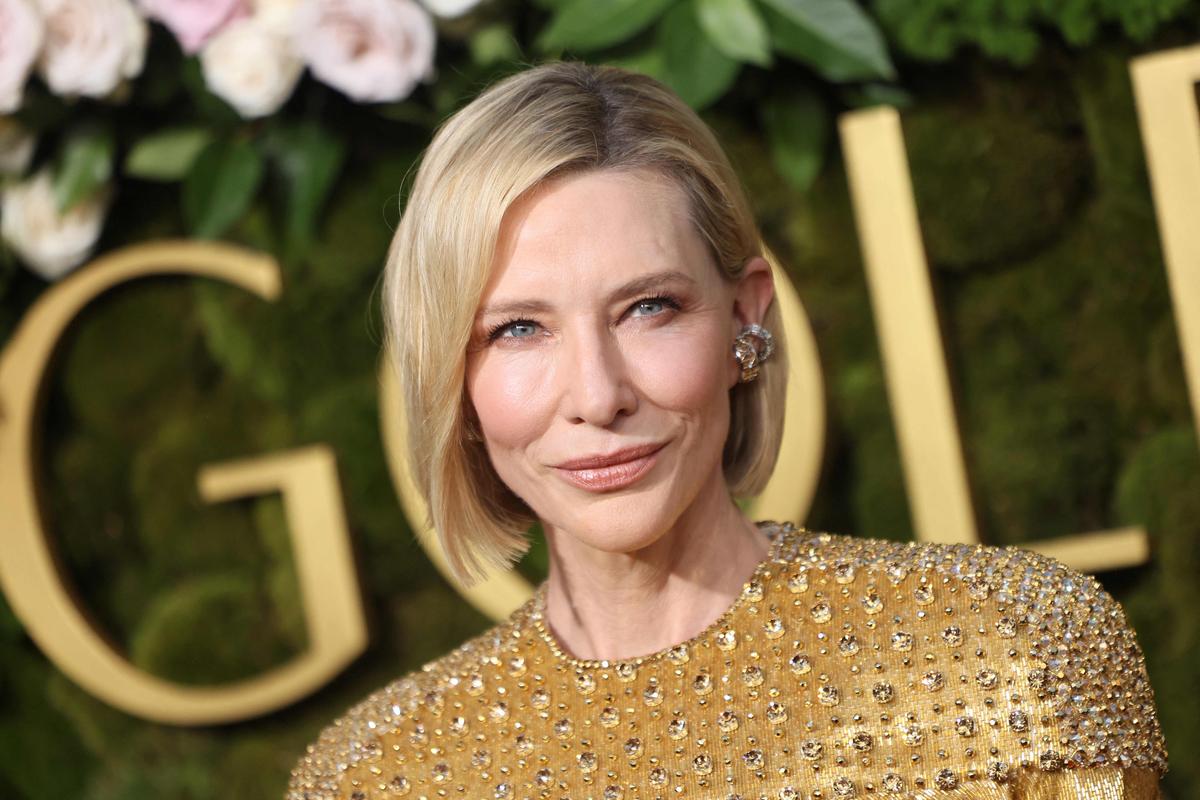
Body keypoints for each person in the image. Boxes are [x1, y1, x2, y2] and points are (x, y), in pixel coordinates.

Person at [286, 61, 1168, 800]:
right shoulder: (372, 774)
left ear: (745, 319)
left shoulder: (1011, 650)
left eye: (649, 309)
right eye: (519, 328)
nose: (598, 394)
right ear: (453, 376)